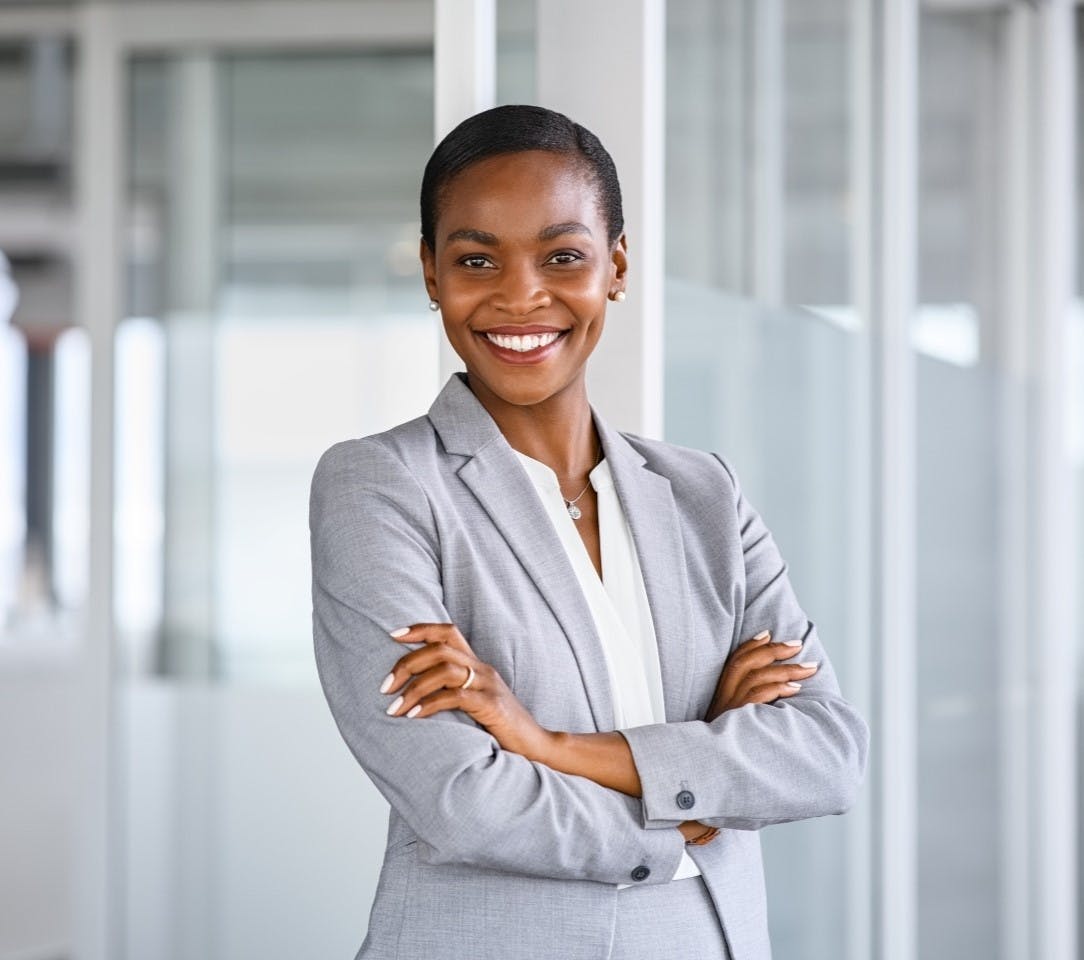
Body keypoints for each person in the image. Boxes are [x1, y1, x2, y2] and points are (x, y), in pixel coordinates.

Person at [310, 104, 868, 960]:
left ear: (616, 266)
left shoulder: (703, 495)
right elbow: (462, 798)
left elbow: (826, 753)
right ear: (430, 273)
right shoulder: (381, 487)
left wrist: (550, 746)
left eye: (562, 256)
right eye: (474, 259)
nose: (519, 294)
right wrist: (696, 813)